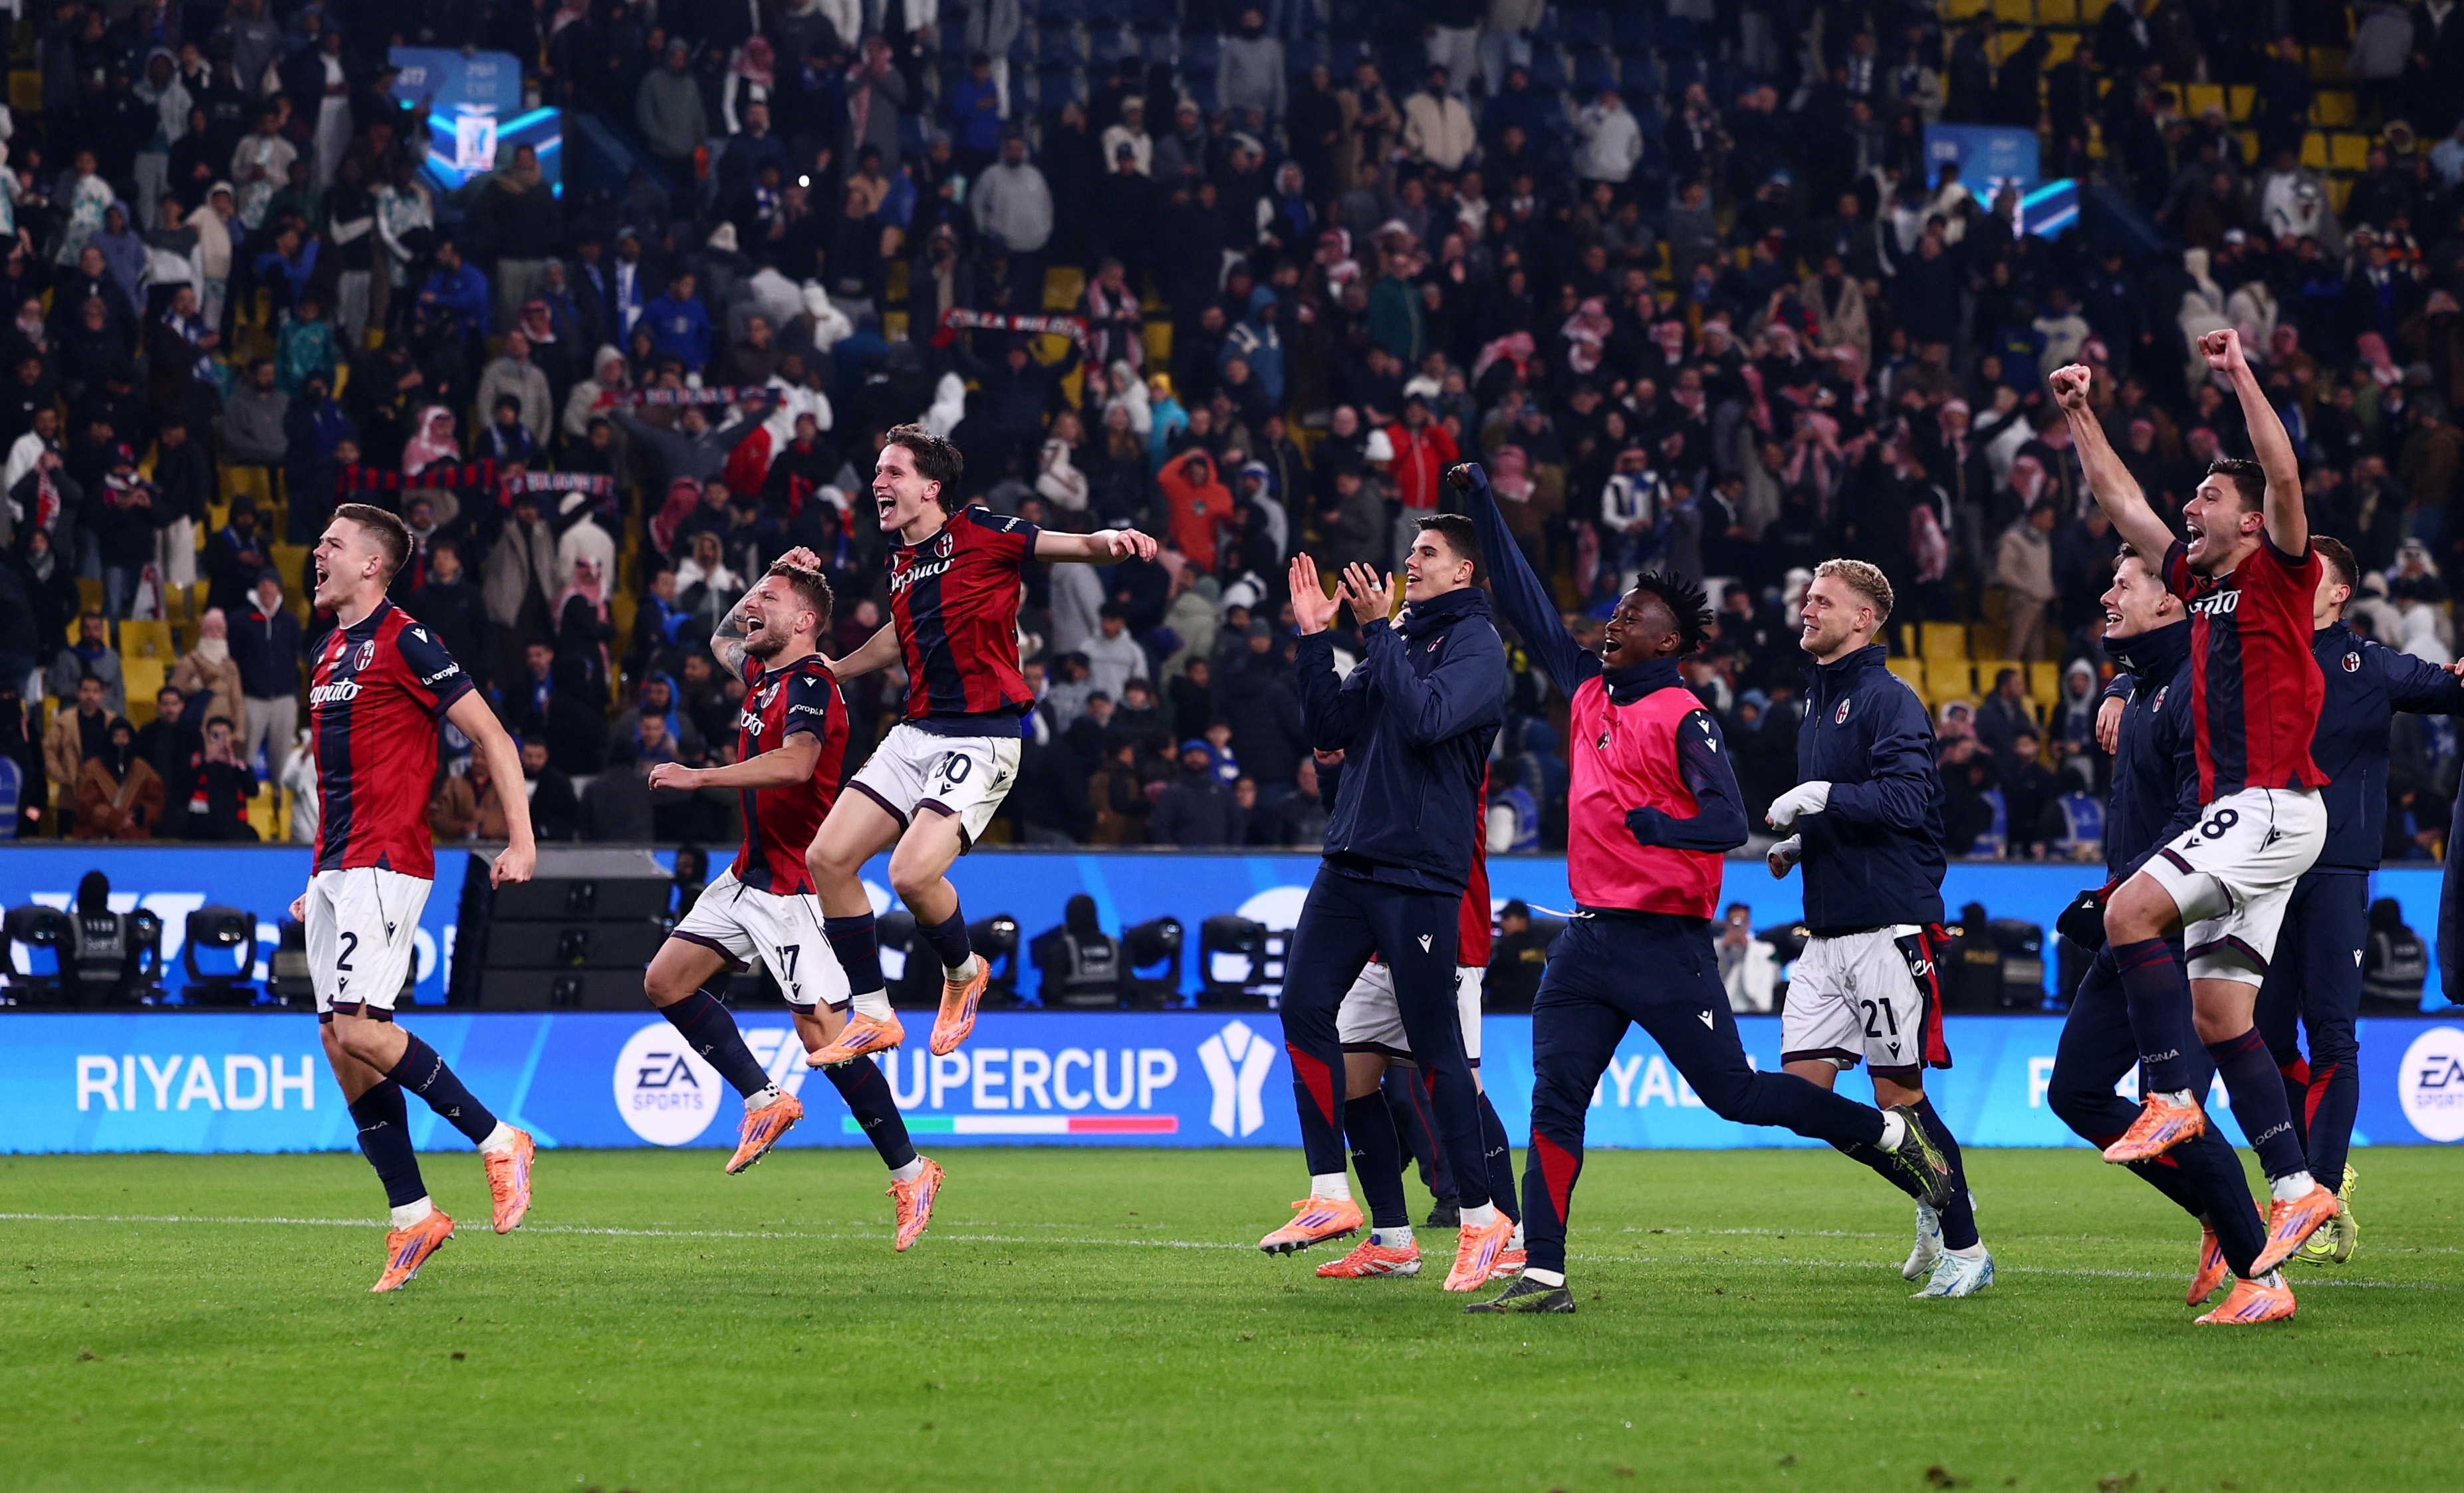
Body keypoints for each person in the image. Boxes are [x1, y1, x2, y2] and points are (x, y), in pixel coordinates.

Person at [1461, 463, 1953, 1313]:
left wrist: (1663, 827)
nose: (1615, 624)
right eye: (1615, 613)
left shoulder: (1685, 715)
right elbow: (1528, 600)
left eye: (1634, 620)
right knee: (1554, 1096)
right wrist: (1482, 508)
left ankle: (1878, 1130)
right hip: (1585, 940)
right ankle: (1545, 1271)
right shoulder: (1585, 690)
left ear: (1668, 644)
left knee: (1734, 1095)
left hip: (1664, 946)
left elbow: (1727, 821)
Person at [2056, 338, 2339, 1321]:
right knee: (2224, 1018)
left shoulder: (2278, 571)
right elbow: (2122, 506)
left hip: (2266, 802)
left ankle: (2170, 1095)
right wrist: (2079, 414)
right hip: (2261, 822)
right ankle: (2294, 1194)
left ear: (2252, 519)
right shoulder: (2200, 579)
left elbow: (2286, 471)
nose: (2189, 508)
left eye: (2209, 499)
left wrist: (2238, 377)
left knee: (2131, 910)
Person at [802, 425, 1157, 1067]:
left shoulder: (983, 531)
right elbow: (898, 634)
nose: (878, 483)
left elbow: (1073, 545)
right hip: (915, 733)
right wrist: (838, 667)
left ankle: (964, 971)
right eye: (878, 472)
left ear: (930, 487)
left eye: (892, 473)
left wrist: (1116, 541)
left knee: (909, 872)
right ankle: (874, 1014)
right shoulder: (902, 562)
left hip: (983, 732)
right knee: (826, 858)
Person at [638, 552, 946, 1248]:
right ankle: (763, 1097)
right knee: (665, 979)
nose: (753, 610)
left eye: (769, 601)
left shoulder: (811, 683)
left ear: (806, 622)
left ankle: (911, 1169)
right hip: (747, 876)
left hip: (795, 888)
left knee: (827, 1041)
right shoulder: (759, 671)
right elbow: (722, 638)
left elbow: (797, 763)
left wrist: (699, 776)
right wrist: (765, 577)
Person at [1257, 515, 1515, 1296]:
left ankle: (1483, 1217)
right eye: (1411, 551)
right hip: (1351, 857)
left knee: (1437, 1055)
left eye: (1427, 552)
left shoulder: (1477, 647)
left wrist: (1378, 636)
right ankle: (1333, 1195)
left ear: (1463, 571)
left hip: (1417, 874)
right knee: (1302, 1005)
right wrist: (1315, 639)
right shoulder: (1396, 633)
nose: (1410, 561)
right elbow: (1331, 728)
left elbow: (1429, 718)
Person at [288, 503, 539, 1293]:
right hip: (336, 866)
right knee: (339, 1038)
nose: (318, 553)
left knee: (361, 1028)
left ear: (372, 564)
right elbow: (337, 778)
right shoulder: (330, 650)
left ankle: (499, 1137)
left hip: (386, 861)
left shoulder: (407, 639)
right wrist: (314, 877)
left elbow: (492, 736)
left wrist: (522, 838)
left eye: (333, 544)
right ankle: (412, 1214)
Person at [2046, 543, 2274, 1315]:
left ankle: (2262, 1273)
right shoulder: (2144, 684)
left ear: (2172, 601)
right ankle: (2220, 1213)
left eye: (2124, 583)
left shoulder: (2194, 690)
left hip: (2174, 922)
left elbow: (2197, 818)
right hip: (2132, 921)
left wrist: (2116, 891)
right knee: (2075, 1090)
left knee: (2167, 1101)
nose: (2107, 593)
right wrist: (2118, 681)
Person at [1763, 558, 1991, 1296]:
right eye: (1807, 597)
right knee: (1806, 1098)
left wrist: (1818, 795)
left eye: (1823, 600)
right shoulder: (1818, 702)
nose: (1807, 607)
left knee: (1899, 1096)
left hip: (1889, 927)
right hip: (1825, 932)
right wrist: (1803, 841)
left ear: (1863, 618)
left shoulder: (1890, 699)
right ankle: (1928, 1190)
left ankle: (1967, 1246)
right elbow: (1855, 812)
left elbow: (1905, 802)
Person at [2257, 535, 2464, 1266]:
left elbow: (2452, 689)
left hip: (2338, 869)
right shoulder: (2255, 649)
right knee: (2261, 1031)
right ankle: (2298, 1177)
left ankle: (2315, 1187)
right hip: (2264, 868)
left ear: (2338, 590)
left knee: (2332, 1034)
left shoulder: (2371, 664)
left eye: (2305, 574)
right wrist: (2123, 686)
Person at [1313, 784, 1527, 1283]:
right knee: (1349, 1077)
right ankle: (1392, 1242)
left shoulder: (1449, 725)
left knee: (1462, 1083)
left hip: (1443, 930)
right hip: (1377, 936)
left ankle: (1511, 1238)